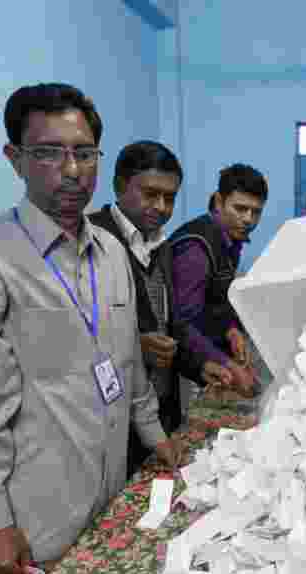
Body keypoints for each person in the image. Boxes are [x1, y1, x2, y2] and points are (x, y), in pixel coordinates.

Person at [0, 83, 180, 574]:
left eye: (84, 153)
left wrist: (157, 436)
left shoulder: (112, 253)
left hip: (114, 497)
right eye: (49, 153)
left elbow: (127, 364)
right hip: (38, 519)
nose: (71, 170)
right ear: (16, 158)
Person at [87, 141, 234, 477]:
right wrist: (134, 347)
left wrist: (201, 364)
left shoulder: (160, 244)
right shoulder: (91, 240)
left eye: (170, 198)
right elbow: (73, 337)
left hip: (159, 411)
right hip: (111, 418)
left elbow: (170, 324)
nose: (162, 206)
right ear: (120, 186)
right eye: (151, 193)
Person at [169, 163, 267, 392]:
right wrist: (229, 365)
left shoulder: (232, 239)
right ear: (219, 202)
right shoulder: (195, 249)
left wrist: (231, 330)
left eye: (256, 212)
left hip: (209, 351)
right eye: (240, 208)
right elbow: (182, 324)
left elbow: (217, 300)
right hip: (187, 363)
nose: (248, 219)